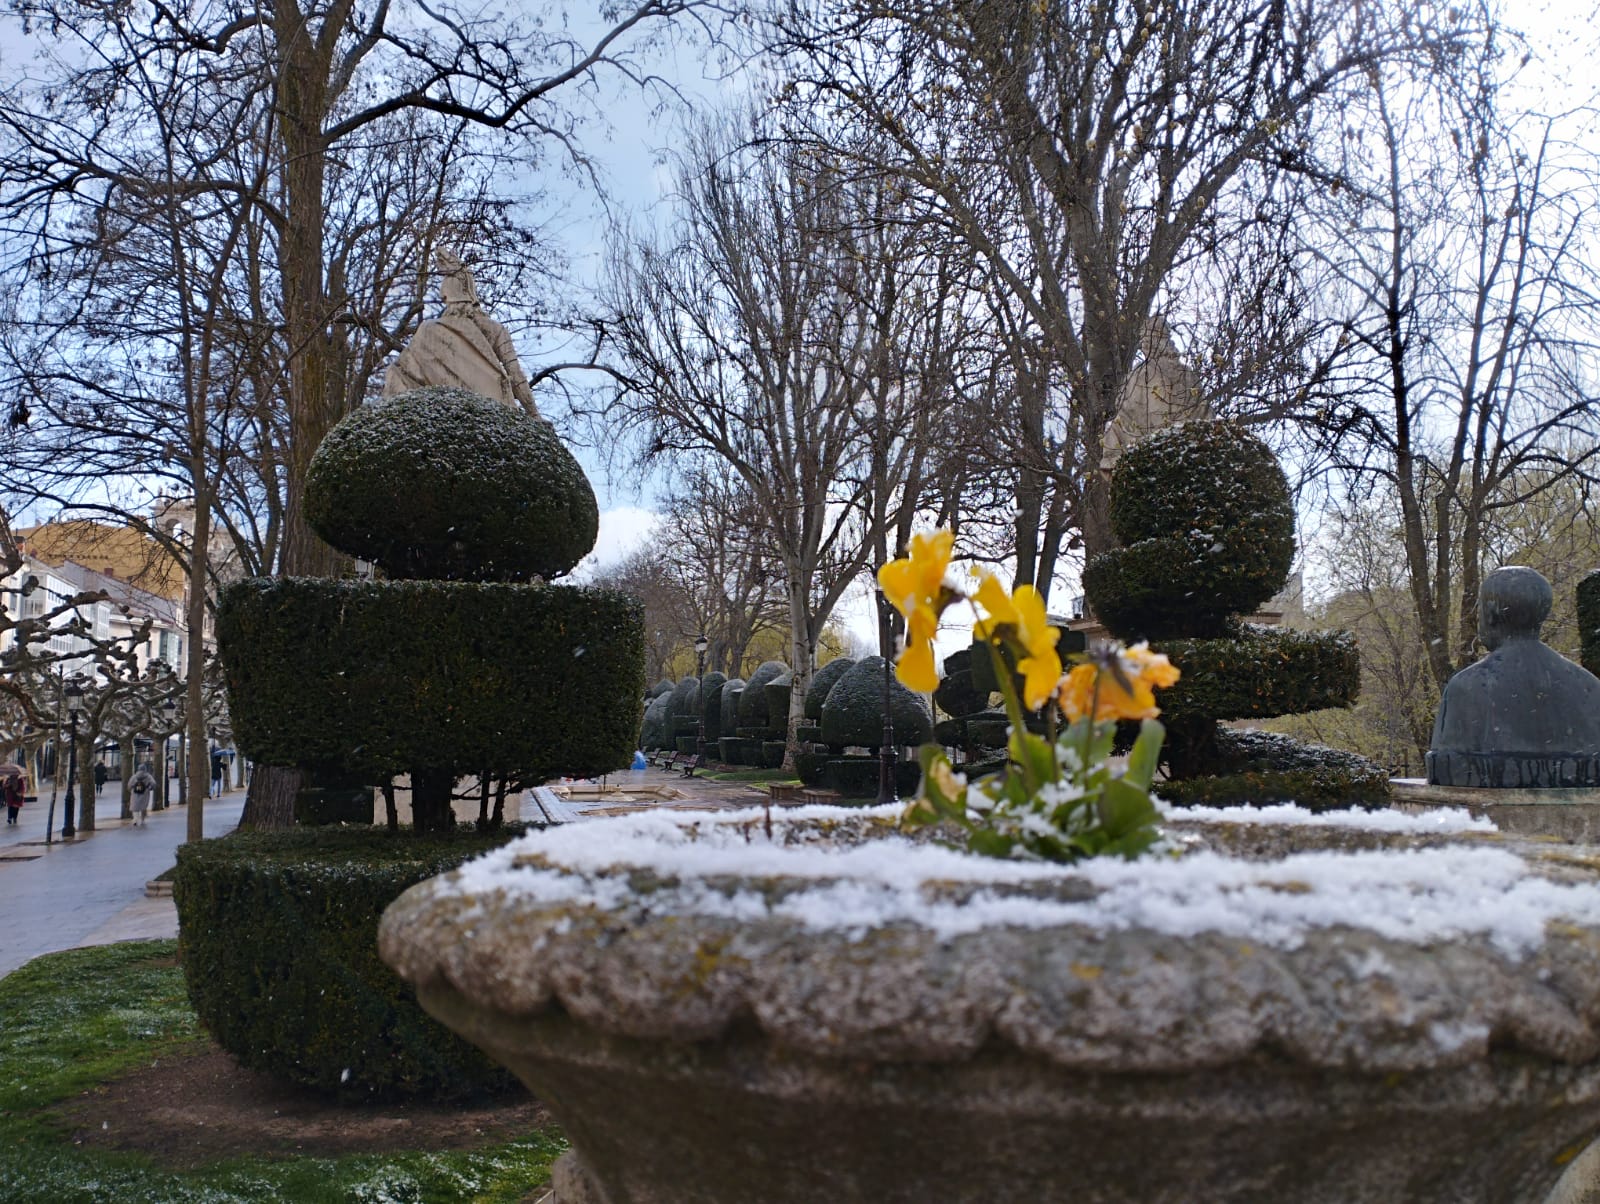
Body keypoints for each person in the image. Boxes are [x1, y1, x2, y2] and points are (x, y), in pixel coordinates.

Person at [1428, 566, 1600, 787]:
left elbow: (1447, 772)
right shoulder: (1589, 686)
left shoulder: (1468, 687)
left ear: (1490, 613)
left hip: (1485, 818)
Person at [381, 250, 544, 419]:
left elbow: (402, 374)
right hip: (493, 412)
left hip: (451, 414)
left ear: (448, 297)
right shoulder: (494, 329)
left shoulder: (428, 331)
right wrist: (534, 415)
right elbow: (516, 375)